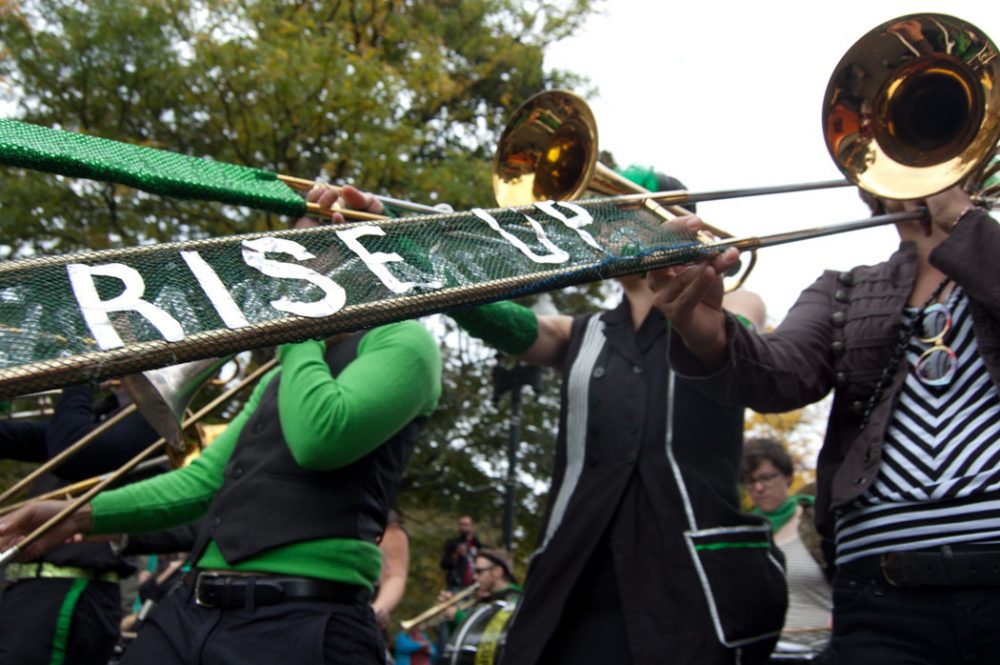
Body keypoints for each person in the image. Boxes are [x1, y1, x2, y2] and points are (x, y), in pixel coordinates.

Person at [0, 185, 444, 665]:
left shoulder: (403, 340)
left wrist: (301, 324)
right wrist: (70, 515)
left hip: (305, 622)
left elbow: (321, 438)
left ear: (357, 260)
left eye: (301, 255)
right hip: (190, 613)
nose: (280, 273)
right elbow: (199, 484)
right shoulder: (283, 371)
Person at [449, 170, 787, 665]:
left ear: (677, 221)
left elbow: (735, 333)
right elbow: (497, 319)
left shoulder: (737, 302)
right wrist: (399, 242)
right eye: (603, 220)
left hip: (693, 593)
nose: (607, 232)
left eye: (625, 214)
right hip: (575, 590)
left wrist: (688, 278)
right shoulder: (579, 332)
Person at [654, 184, 1000, 664]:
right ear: (878, 190)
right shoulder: (843, 289)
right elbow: (781, 375)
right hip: (884, 602)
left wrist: (968, 227)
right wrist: (705, 327)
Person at [0, 382, 161, 665]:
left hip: (72, 587)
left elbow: (73, 452)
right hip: (37, 586)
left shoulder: (153, 419)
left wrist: (77, 379)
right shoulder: (102, 416)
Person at [740, 438, 832, 651]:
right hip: (763, 654)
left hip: (822, 650)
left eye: (766, 478)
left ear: (788, 477)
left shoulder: (818, 523)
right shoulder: (746, 535)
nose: (759, 488)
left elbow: (853, 581)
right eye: (750, 481)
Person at [440, 515, 481, 591]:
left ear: (472, 526)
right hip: (457, 584)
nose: (463, 528)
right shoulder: (452, 544)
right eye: (461, 525)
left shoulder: (478, 545)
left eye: (466, 525)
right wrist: (457, 554)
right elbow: (444, 564)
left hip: (475, 584)